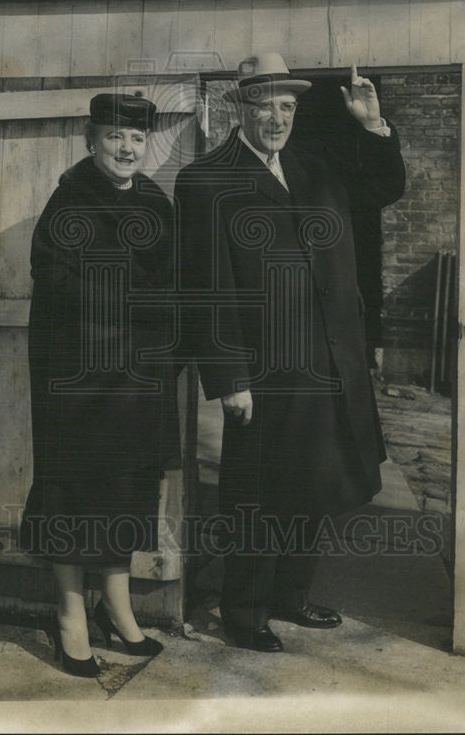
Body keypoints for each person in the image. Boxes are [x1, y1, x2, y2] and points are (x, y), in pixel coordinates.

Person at [174, 53, 405, 652]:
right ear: (240, 109)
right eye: (264, 106)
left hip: (330, 358)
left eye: (287, 106)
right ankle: (243, 611)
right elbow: (205, 287)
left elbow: (385, 187)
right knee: (257, 492)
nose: (276, 118)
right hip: (263, 369)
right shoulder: (206, 179)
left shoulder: (317, 166)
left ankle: (290, 595)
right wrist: (229, 377)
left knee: (316, 484)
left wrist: (373, 125)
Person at [19, 93, 180, 677]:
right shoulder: (71, 198)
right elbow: (52, 277)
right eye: (114, 137)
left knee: (126, 490)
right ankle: (69, 617)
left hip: (136, 378)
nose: (126, 148)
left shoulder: (156, 203)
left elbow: (173, 285)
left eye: (136, 139)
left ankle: (116, 608)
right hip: (78, 378)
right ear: (92, 140)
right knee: (74, 492)